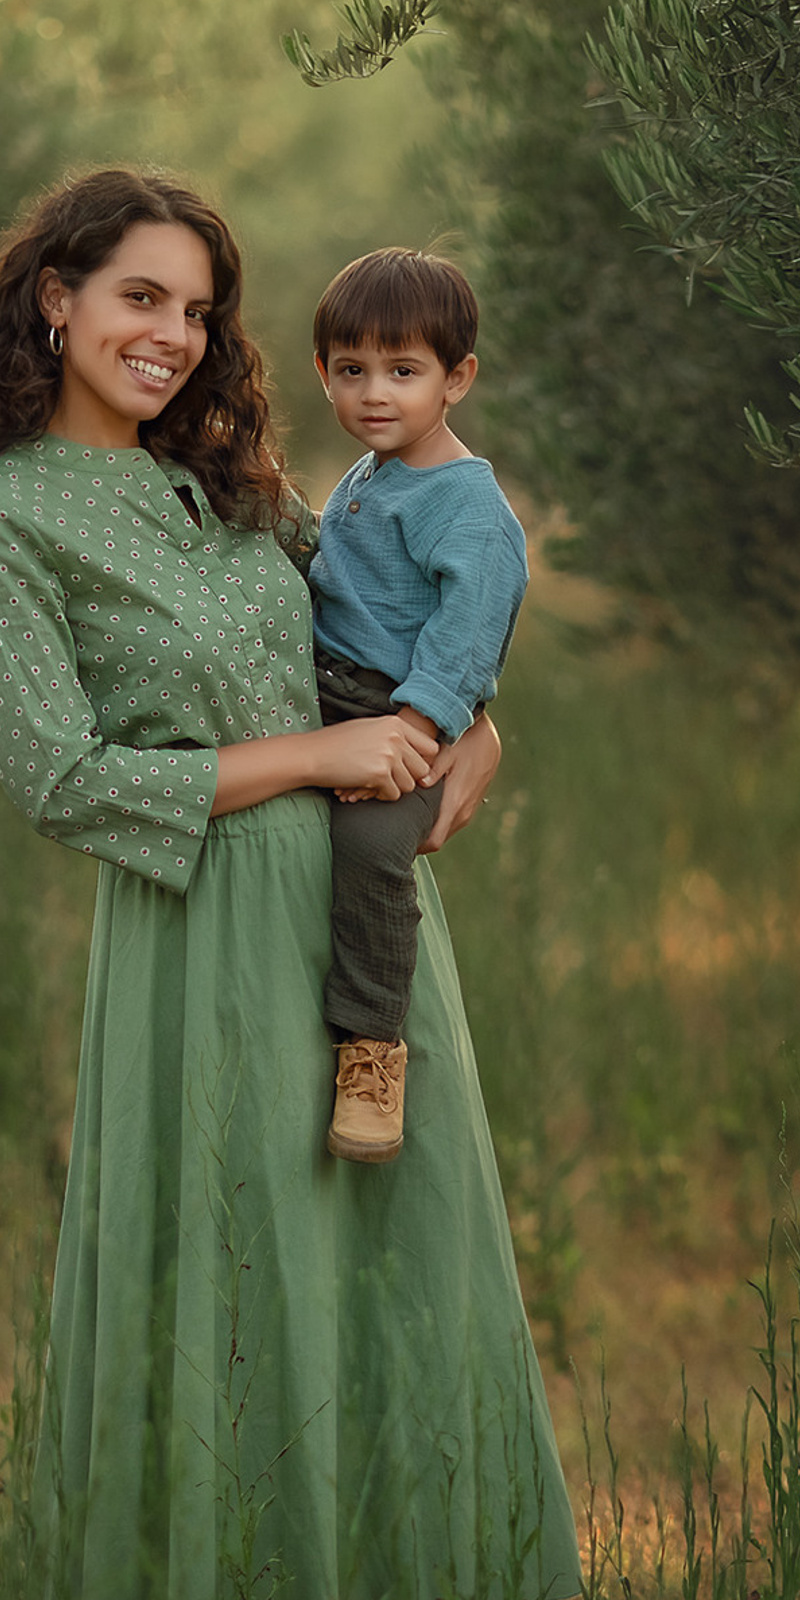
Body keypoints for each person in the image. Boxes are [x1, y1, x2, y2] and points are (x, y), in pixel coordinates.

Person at [0, 164, 578, 1600]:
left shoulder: (239, 489)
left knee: (389, 1276)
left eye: (200, 310)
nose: (176, 336)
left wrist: (473, 728)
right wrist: (314, 754)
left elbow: (396, 625)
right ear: (54, 298)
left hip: (362, 943)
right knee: (200, 1291)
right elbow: (62, 778)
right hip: (196, 934)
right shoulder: (1, 526)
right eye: (143, 296)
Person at [308, 250, 529, 1167]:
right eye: (351, 371)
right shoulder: (371, 474)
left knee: (367, 850)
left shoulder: (465, 504)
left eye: (403, 372)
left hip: (401, 718)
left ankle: (371, 1049)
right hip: (324, 699)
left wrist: (421, 728)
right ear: (322, 372)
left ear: (456, 379)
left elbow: (469, 631)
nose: (375, 394)